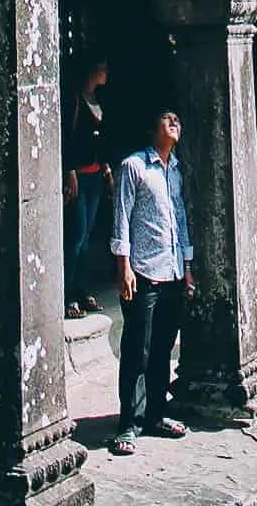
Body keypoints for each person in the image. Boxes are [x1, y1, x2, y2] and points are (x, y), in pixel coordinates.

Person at [108, 108, 195, 456]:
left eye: (178, 119)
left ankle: (157, 413)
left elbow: (181, 218)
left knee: (162, 348)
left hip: (171, 270)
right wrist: (123, 266)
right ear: (152, 127)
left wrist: (187, 267)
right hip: (142, 270)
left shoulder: (175, 171)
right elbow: (121, 217)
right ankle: (129, 423)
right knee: (137, 350)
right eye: (167, 117)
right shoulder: (134, 167)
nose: (175, 122)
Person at [62, 54, 112, 318]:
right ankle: (69, 294)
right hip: (78, 174)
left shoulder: (97, 100)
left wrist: (105, 166)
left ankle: (82, 290)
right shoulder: (74, 100)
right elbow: (67, 137)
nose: (106, 72)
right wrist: (69, 170)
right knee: (76, 237)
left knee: (87, 235)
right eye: (103, 67)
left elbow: (100, 139)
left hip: (94, 173)